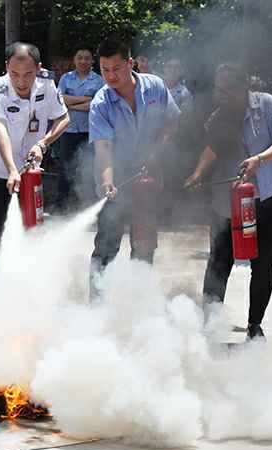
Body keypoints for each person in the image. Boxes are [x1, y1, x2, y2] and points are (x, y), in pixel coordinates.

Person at [185, 62, 272, 341]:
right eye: (218, 89)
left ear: (243, 87)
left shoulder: (266, 104)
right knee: (219, 262)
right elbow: (211, 150)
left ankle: (255, 325)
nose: (220, 95)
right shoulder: (218, 117)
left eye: (226, 90)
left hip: (267, 197)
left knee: (263, 266)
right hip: (228, 203)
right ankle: (210, 323)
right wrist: (198, 174)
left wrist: (260, 159)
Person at [88, 39, 180, 297]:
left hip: (149, 180)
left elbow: (172, 122)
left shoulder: (155, 87)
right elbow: (103, 148)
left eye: (116, 69)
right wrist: (107, 181)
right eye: (105, 70)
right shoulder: (100, 103)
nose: (110, 76)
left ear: (131, 63)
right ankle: (97, 305)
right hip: (114, 182)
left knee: (144, 244)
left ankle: (138, 302)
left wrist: (156, 152)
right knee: (106, 247)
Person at [0, 42, 69, 251]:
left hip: (30, 172)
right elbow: (0, 129)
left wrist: (42, 144)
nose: (21, 81)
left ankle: (26, 271)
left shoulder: (47, 83)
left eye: (28, 74)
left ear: (38, 68)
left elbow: (63, 118)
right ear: (6, 67)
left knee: (31, 229)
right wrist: (11, 170)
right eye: (14, 74)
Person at [56, 48, 103, 211]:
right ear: (74, 60)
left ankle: (89, 203)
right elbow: (60, 100)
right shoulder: (66, 78)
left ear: (92, 61)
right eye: (80, 58)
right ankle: (62, 205)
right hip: (68, 129)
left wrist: (72, 104)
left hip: (90, 131)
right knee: (65, 167)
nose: (83, 61)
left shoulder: (98, 80)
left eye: (87, 58)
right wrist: (85, 99)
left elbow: (96, 104)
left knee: (90, 168)